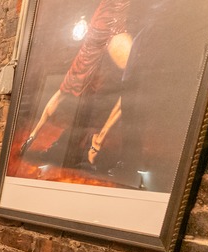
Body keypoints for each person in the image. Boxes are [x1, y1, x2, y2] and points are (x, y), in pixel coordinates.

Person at [19, 0, 131, 165]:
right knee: (133, 80)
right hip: (110, 26)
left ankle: (32, 136)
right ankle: (96, 144)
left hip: (99, 28)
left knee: (64, 91)